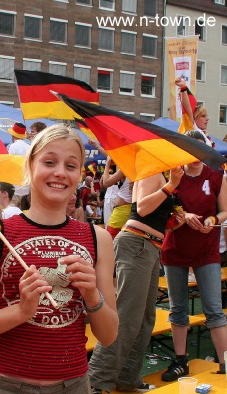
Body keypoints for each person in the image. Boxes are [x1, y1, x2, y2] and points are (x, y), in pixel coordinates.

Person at [0, 124, 117, 394]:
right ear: (30, 166)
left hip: (73, 385)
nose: (60, 172)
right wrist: (20, 311)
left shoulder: (98, 239)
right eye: (49, 162)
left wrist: (92, 295)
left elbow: (109, 336)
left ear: (79, 175)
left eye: (71, 165)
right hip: (7, 384)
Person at [89, 163, 185, 393]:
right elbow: (141, 208)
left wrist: (172, 222)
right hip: (137, 244)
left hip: (148, 246)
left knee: (143, 320)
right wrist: (171, 185)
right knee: (128, 317)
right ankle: (95, 382)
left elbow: (151, 215)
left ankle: (126, 378)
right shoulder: (151, 171)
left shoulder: (159, 174)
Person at [159, 130, 227, 381]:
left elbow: (224, 212)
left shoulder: (217, 176)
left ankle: (224, 363)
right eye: (190, 150)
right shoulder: (173, 175)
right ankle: (180, 362)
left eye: (200, 150)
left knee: (214, 309)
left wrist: (212, 219)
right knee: (177, 309)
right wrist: (182, 215)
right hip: (175, 250)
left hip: (206, 250)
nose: (196, 156)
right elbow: (163, 210)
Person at [101, 157, 133, 239]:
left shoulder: (125, 168)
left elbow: (106, 183)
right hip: (131, 210)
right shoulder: (139, 167)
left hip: (121, 212)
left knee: (110, 239)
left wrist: (107, 164)